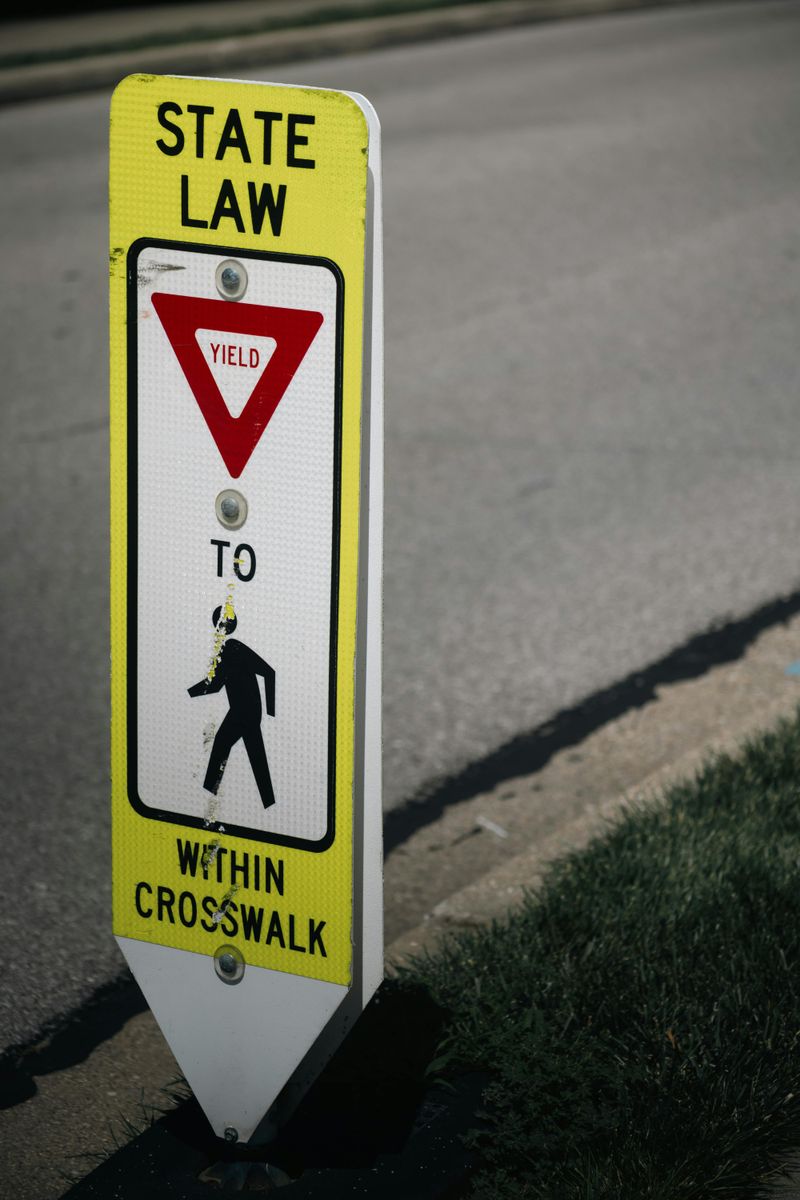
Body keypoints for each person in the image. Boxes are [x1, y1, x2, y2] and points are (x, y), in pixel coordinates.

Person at [188, 607, 276, 808]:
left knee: (224, 745)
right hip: (240, 711)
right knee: (252, 754)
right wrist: (189, 692)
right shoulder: (225, 650)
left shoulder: (235, 647)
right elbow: (216, 685)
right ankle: (268, 803)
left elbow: (269, 672)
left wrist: (271, 712)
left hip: (247, 711)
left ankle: (208, 796)